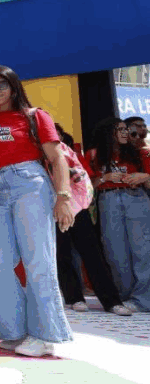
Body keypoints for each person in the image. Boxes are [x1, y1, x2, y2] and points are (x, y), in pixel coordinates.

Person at [0, 65, 74, 357]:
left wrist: (63, 197)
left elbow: (57, 157)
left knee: (38, 260)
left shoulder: (35, 116)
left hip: (30, 185)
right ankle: (15, 331)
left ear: (13, 86)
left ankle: (45, 334)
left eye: (1, 85)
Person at [53, 123, 131, 316]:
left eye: (57, 134)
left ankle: (112, 301)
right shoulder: (36, 156)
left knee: (92, 254)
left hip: (77, 208)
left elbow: (85, 179)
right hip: (50, 209)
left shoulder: (68, 153)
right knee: (62, 254)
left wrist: (74, 203)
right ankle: (74, 298)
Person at [87, 117, 150, 313]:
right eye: (119, 129)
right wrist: (104, 178)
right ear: (108, 133)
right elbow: (86, 185)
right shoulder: (94, 154)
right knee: (115, 252)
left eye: (125, 129)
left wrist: (145, 176)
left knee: (142, 251)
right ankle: (124, 296)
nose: (125, 133)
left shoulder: (140, 154)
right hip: (108, 200)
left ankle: (143, 299)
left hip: (136, 198)